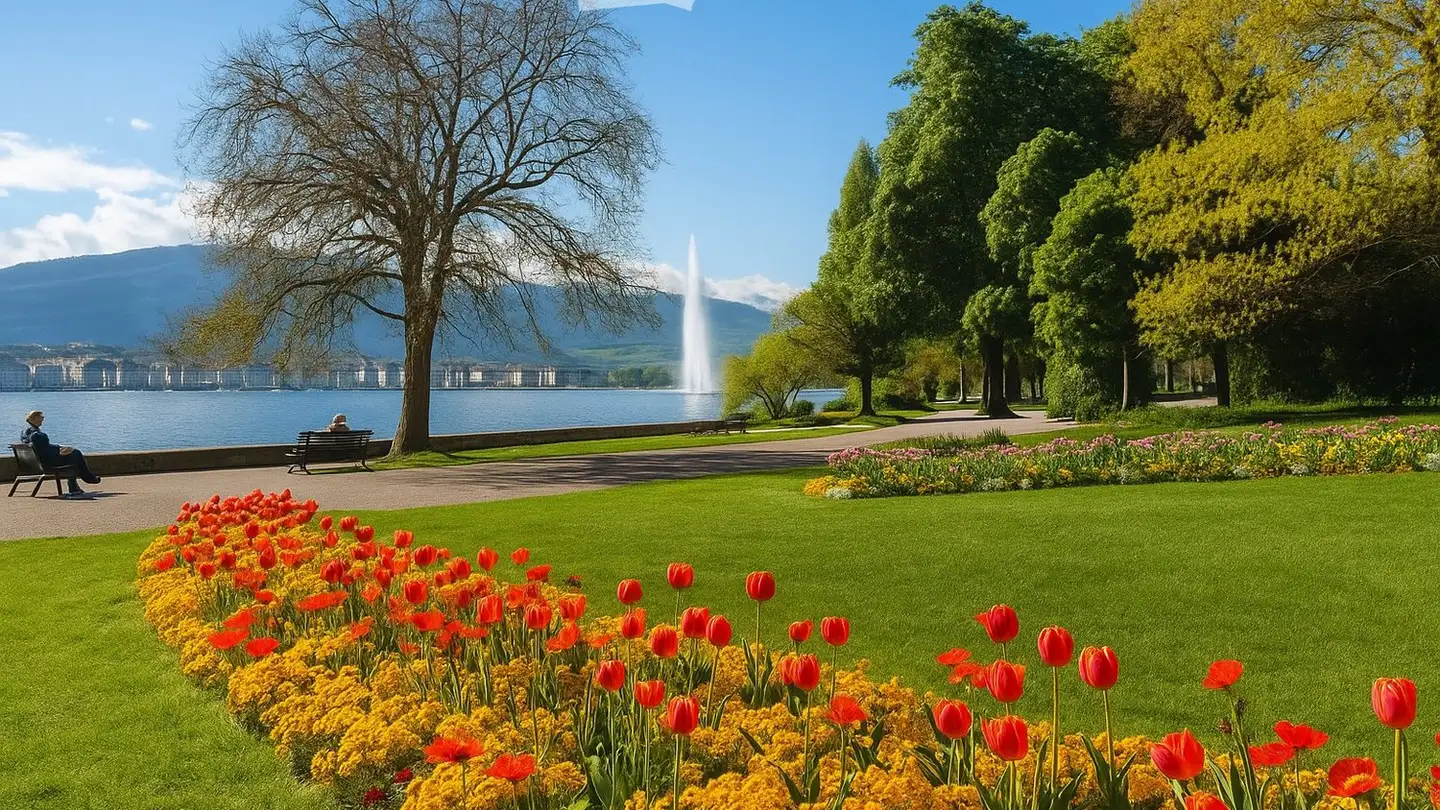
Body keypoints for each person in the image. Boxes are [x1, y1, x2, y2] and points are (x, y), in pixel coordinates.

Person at [21, 410, 101, 497]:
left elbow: (42, 447)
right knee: (75, 454)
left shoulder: (25, 432)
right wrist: (61, 449)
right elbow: (45, 449)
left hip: (34, 462)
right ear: (34, 418)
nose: (43, 418)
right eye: (41, 417)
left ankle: (80, 483)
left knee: (73, 454)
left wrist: (61, 448)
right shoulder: (37, 435)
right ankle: (84, 480)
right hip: (46, 464)